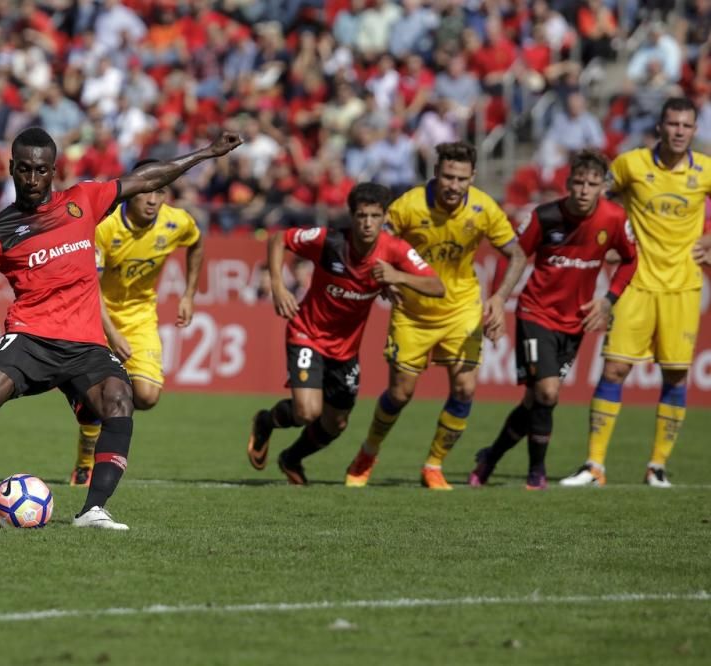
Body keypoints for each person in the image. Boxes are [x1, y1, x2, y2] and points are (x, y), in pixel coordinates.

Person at [0, 127, 242, 530]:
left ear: (53, 170)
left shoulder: (83, 201)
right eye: (24, 170)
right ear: (11, 169)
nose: (33, 179)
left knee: (119, 400)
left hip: (85, 344)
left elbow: (147, 179)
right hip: (31, 339)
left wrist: (205, 153)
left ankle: (93, 509)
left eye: (41, 170)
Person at [343, 141, 528, 490]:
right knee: (400, 394)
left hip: (462, 309)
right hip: (412, 312)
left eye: (461, 178)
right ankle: (368, 452)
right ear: (436, 173)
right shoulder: (408, 206)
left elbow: (516, 254)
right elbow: (374, 246)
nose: (453, 185)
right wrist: (383, 281)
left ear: (472, 176)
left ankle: (434, 465)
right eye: (447, 176)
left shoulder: (484, 208)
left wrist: (500, 298)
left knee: (464, 387)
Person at [246, 183, 445, 485]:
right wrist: (277, 285)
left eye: (375, 216)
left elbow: (437, 286)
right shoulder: (329, 241)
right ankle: (265, 421)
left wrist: (396, 277)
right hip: (307, 334)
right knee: (307, 411)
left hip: (346, 350)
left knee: (336, 423)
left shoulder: (394, 250)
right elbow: (278, 239)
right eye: (362, 216)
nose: (367, 223)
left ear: (384, 217)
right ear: (352, 216)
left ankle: (292, 458)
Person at [561, 97, 711, 488]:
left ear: (694, 131)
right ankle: (594, 466)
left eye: (685, 125)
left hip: (682, 286)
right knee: (614, 368)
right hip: (635, 284)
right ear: (659, 127)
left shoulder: (706, 171)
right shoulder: (630, 164)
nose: (678, 131)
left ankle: (656, 467)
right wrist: (605, 239)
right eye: (672, 124)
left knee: (676, 376)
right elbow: (597, 201)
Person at [469, 150, 637, 490]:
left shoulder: (615, 219)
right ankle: (537, 474)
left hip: (575, 322)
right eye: (578, 182)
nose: (584, 190)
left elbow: (631, 260)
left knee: (534, 400)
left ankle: (490, 457)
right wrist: (499, 299)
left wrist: (607, 301)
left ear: (603, 186)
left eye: (592, 184)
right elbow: (512, 255)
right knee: (548, 393)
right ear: (568, 183)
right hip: (536, 314)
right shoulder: (544, 216)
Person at [69, 161, 205, 486]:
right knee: (100, 395)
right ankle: (86, 461)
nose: (153, 199)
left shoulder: (177, 222)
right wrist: (111, 332)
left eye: (160, 191)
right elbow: (89, 287)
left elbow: (196, 243)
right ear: (132, 190)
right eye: (146, 190)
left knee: (146, 397)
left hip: (141, 316)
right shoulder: (106, 227)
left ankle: (90, 406)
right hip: (96, 316)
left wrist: (188, 294)